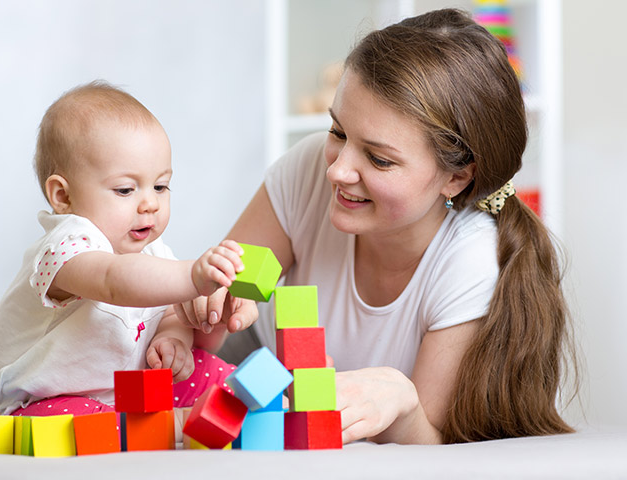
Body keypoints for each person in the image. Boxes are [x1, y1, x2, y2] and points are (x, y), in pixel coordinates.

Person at [177, 8, 577, 444]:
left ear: (456, 177)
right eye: (337, 130)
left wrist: (402, 404)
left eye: (379, 158)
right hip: (254, 371)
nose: (337, 171)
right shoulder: (308, 168)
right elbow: (219, 296)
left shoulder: (469, 262)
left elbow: (434, 449)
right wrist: (199, 312)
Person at [0, 81, 253, 417]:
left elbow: (167, 312)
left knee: (211, 371)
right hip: (37, 399)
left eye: (161, 185)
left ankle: (269, 408)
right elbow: (113, 280)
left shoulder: (154, 252)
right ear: (63, 196)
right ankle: (165, 427)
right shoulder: (65, 247)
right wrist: (192, 276)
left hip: (125, 393)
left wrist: (174, 339)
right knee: (92, 424)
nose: (150, 203)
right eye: (125, 189)